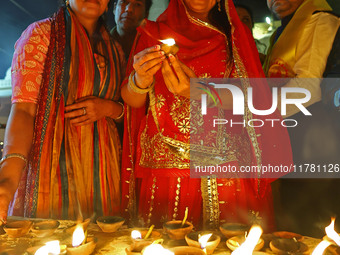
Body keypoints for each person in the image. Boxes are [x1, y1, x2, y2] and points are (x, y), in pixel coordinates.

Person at [120, 0, 292, 230]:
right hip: (168, 169)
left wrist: (201, 91)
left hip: (226, 166)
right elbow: (132, 100)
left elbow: (254, 96)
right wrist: (140, 80)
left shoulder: (234, 35)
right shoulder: (154, 34)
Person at [0, 0, 124, 224]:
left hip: (104, 167)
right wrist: (7, 180)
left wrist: (106, 108)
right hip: (53, 166)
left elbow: (125, 109)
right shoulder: (42, 34)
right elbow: (25, 110)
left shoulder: (115, 48)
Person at [264, 0, 340, 236]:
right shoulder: (280, 31)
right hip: (286, 135)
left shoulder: (320, 19)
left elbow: (307, 87)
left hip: (314, 140)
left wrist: (253, 115)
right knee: (290, 222)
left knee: (314, 225)